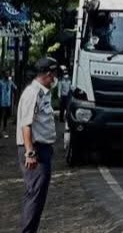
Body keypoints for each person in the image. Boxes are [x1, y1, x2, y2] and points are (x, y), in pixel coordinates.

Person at [17, 58, 59, 233]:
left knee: (37, 196)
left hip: (41, 150)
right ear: (48, 75)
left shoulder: (42, 93)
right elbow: (26, 125)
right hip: (35, 150)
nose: (56, 79)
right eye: (54, 75)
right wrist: (30, 153)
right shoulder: (33, 93)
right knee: (34, 196)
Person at [0, 71, 14, 138]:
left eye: (8, 74)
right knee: (1, 117)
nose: (7, 75)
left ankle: (4, 130)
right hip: (1, 102)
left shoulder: (10, 82)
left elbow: (15, 88)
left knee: (6, 117)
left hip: (8, 103)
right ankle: (1, 131)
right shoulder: (0, 82)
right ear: (3, 75)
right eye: (6, 74)